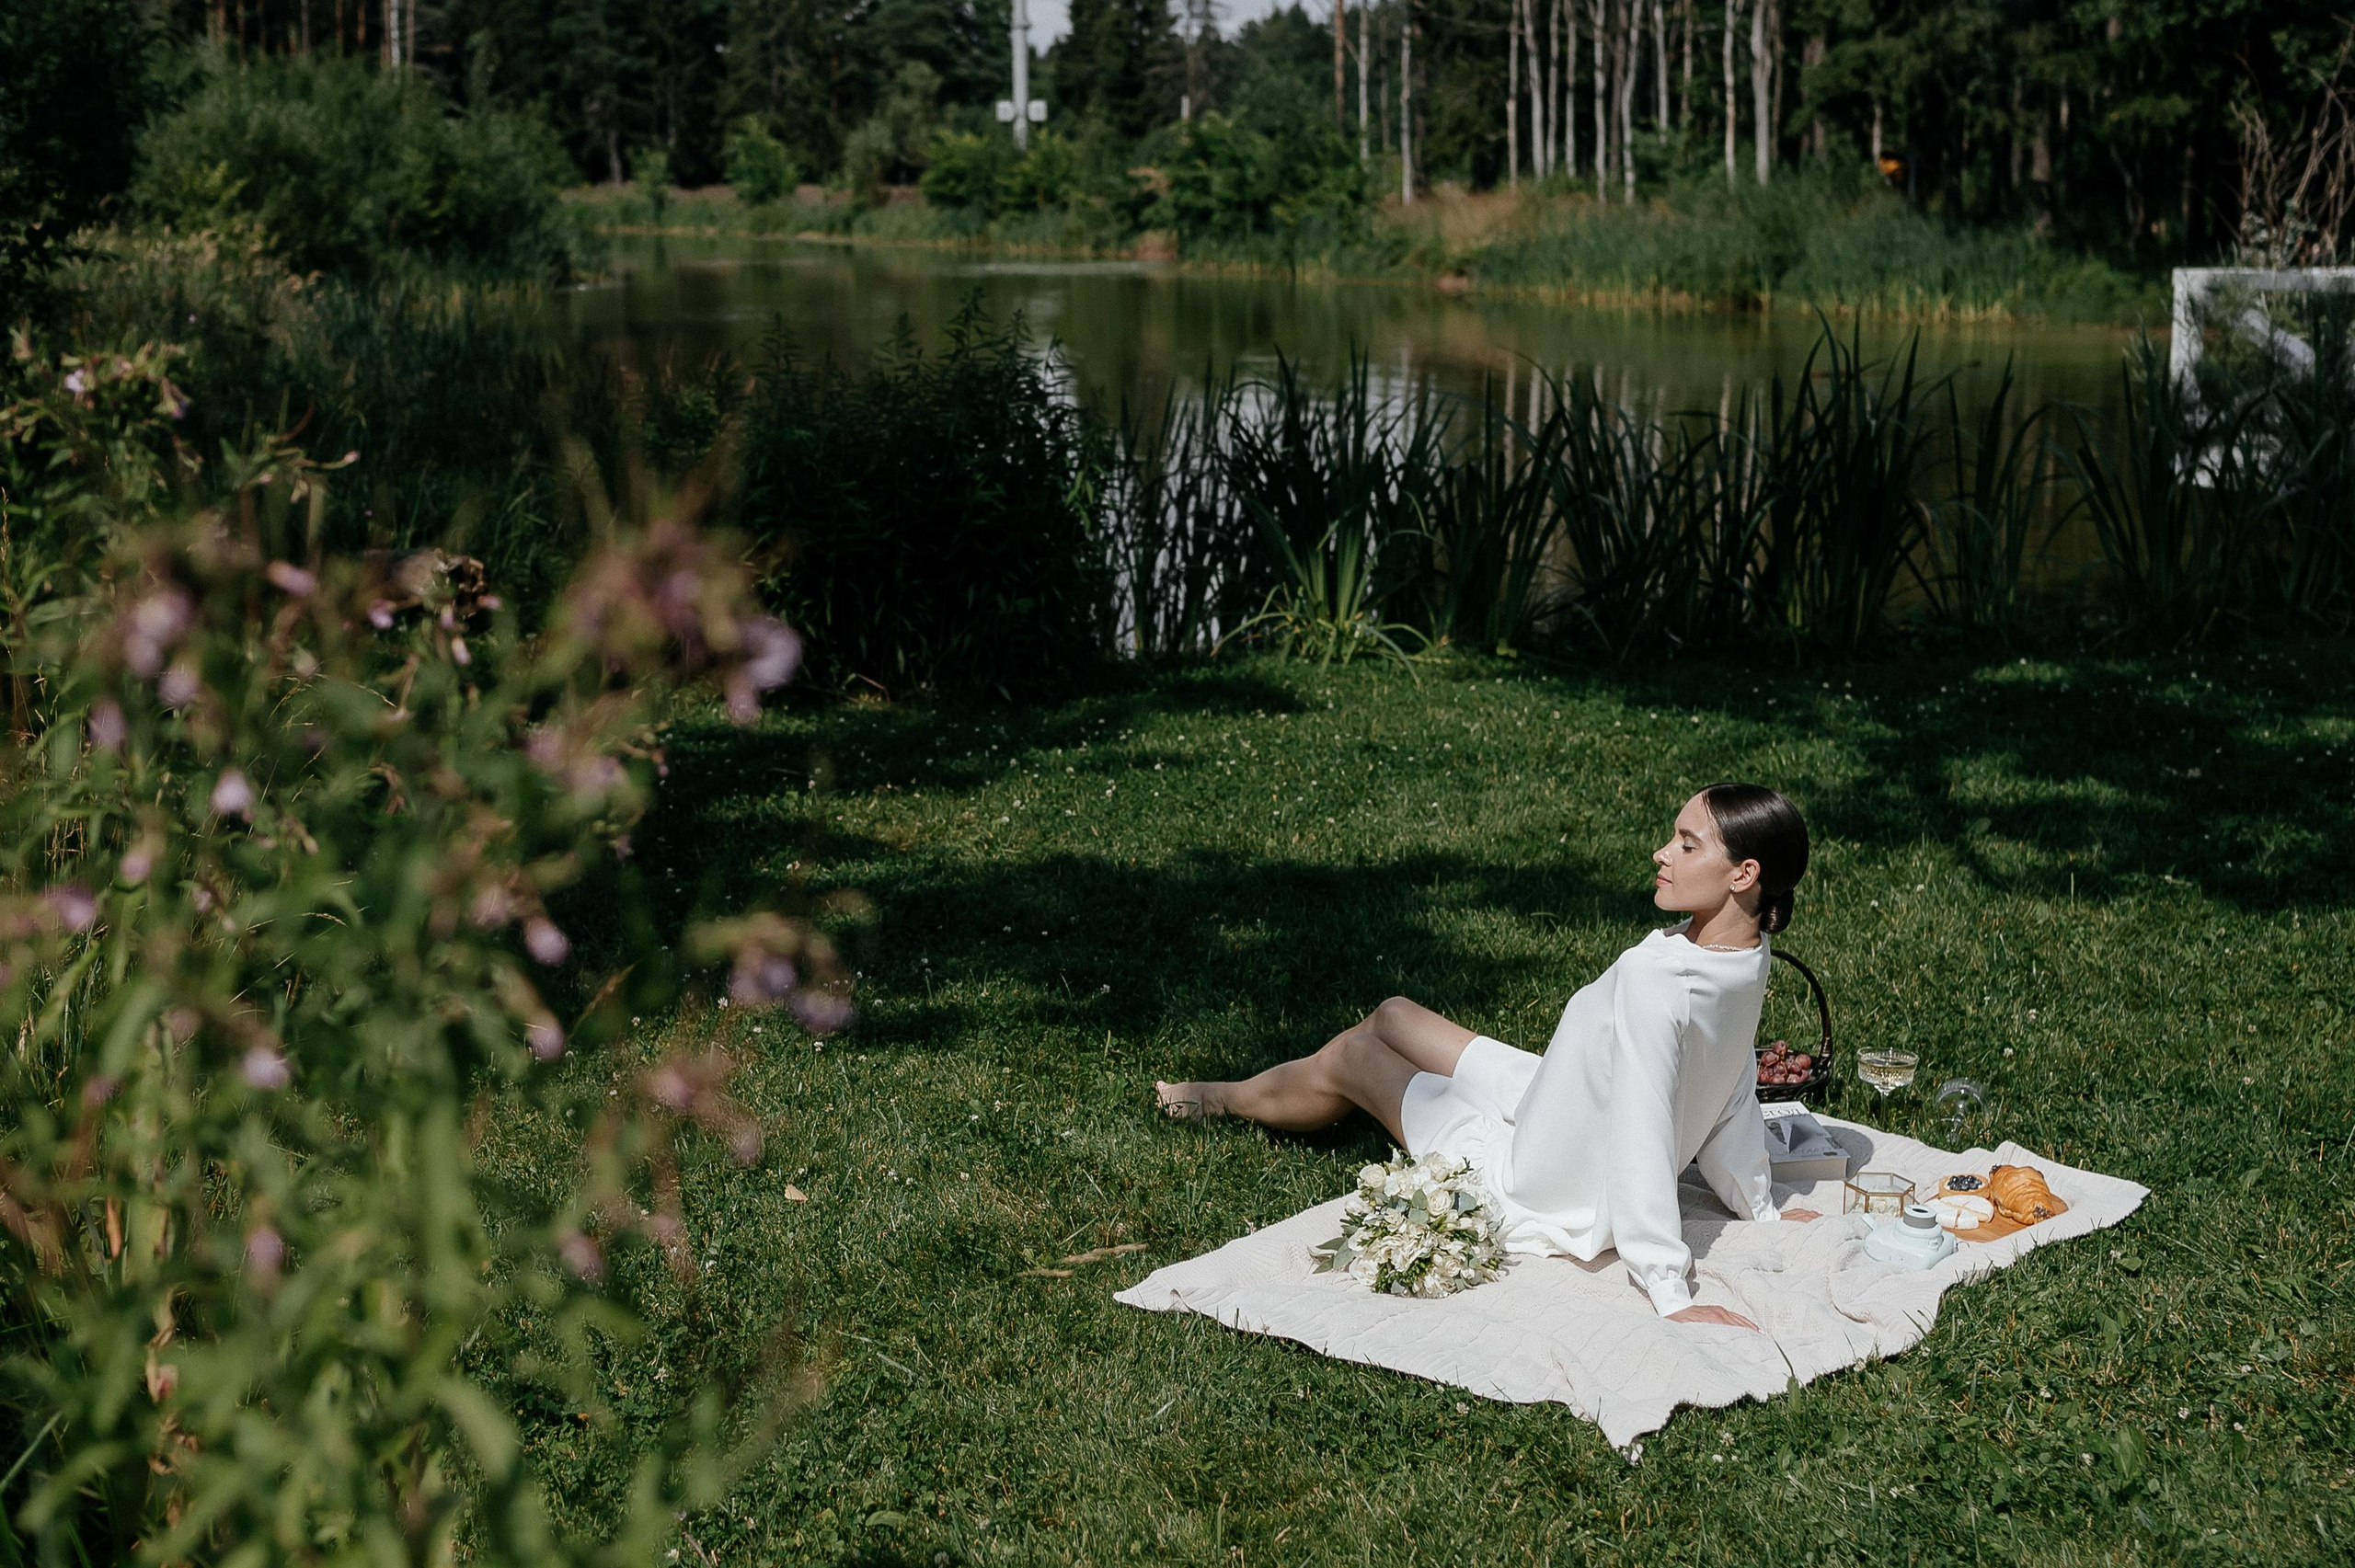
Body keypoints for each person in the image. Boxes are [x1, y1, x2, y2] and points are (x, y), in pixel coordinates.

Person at [1155, 784, 1821, 1330]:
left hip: (1547, 1172)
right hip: (1554, 1096)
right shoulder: (1744, 951)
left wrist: (1670, 1288)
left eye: (1686, 842)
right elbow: (1733, 1073)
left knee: (1356, 1052)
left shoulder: (1658, 977)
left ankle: (1226, 1096)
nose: (1661, 851)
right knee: (1391, 1014)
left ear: (1744, 873)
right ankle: (1323, 1092)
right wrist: (1757, 1201)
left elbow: (1645, 1124)